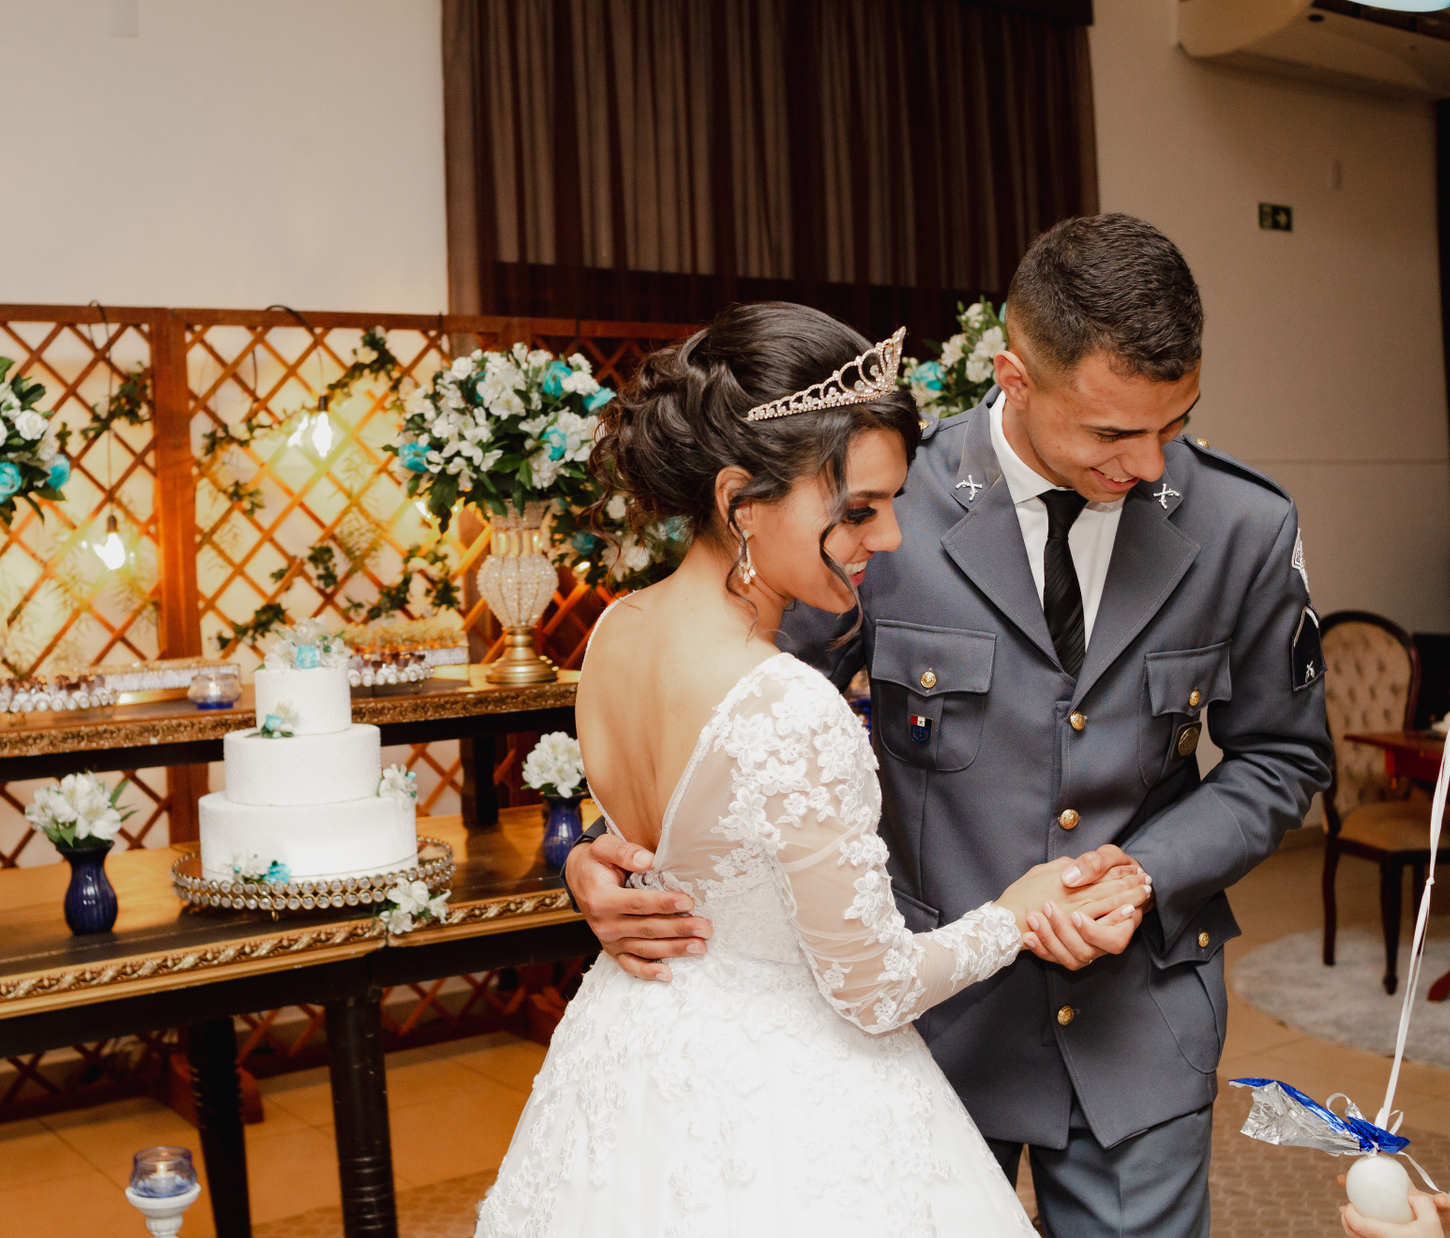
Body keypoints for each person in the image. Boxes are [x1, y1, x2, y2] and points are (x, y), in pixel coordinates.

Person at [565, 215, 1335, 1238]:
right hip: (926, 1028)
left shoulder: (1243, 522)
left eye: (1176, 421)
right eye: (1111, 434)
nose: (1151, 464)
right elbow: (725, 716)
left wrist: (1147, 873)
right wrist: (611, 853)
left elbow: (1283, 755)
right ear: (1014, 376)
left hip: (1141, 1023)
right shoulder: (870, 501)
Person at [475, 303, 1152, 1235]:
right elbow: (872, 989)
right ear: (740, 502)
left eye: (893, 504)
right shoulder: (788, 704)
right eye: (858, 511)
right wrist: (1015, 913)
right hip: (780, 1102)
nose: (891, 538)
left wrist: (595, 861)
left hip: (634, 1062)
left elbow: (674, 841)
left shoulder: (616, 633)